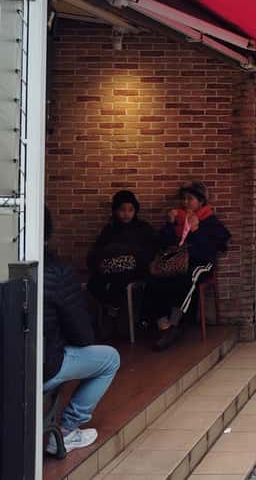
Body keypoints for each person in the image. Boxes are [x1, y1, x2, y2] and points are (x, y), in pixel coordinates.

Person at [43, 207, 121, 454]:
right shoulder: (56, 271)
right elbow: (82, 334)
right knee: (110, 359)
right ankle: (66, 431)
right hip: (41, 366)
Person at [147, 181, 230, 351]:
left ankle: (176, 323)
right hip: (177, 262)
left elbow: (217, 245)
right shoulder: (178, 218)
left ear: (201, 201)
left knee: (189, 278)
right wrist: (170, 224)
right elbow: (163, 243)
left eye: (190, 199)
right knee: (155, 278)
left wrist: (197, 231)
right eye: (183, 199)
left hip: (201, 263)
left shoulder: (209, 219)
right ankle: (163, 325)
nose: (186, 203)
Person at [87, 190, 157, 326]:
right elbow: (98, 251)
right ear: (115, 211)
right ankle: (112, 308)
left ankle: (114, 315)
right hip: (111, 269)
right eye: (122, 210)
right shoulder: (110, 229)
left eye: (130, 210)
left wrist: (128, 254)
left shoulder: (143, 228)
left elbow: (149, 251)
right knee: (93, 284)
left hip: (135, 269)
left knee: (119, 280)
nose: (126, 214)